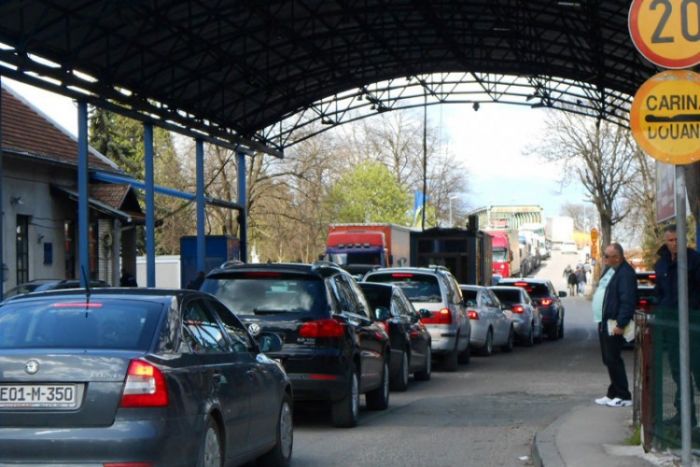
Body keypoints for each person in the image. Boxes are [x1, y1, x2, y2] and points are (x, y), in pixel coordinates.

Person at [654, 224, 700, 426]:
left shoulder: (695, 261)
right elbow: (660, 291)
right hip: (671, 325)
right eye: (670, 240)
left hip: (692, 324)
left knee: (697, 369)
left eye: (677, 240)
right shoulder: (661, 264)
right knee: (678, 371)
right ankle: (684, 415)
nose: (674, 244)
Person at [592, 242, 637, 408]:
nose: (603, 259)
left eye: (606, 256)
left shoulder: (625, 273)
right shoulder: (612, 271)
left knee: (613, 358)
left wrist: (621, 323)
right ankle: (613, 393)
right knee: (608, 359)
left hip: (614, 323)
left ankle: (624, 395)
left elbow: (627, 300)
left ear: (616, 257)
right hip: (604, 321)